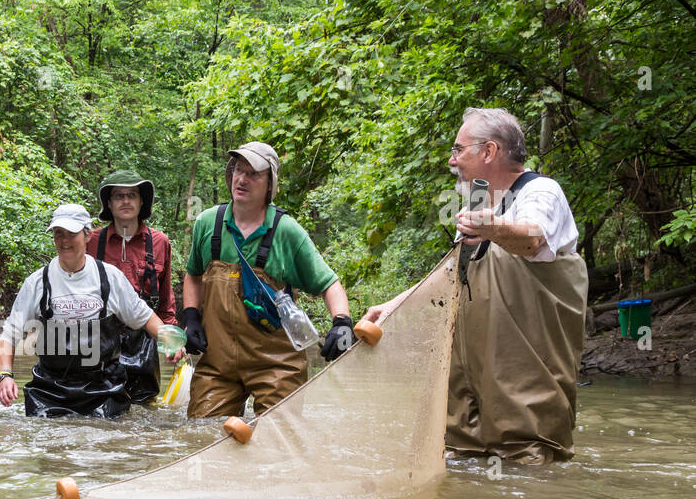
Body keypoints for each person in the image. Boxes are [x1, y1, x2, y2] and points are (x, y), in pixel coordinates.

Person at [361, 107, 589, 463]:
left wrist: (492, 228)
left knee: (528, 477)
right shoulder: (475, 205)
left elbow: (532, 239)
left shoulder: (542, 192)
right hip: (469, 403)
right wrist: (394, 306)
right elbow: (450, 278)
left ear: (489, 151)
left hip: (526, 399)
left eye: (458, 150)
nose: (452, 161)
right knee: (459, 475)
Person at [180, 142, 352, 419]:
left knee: (277, 443)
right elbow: (193, 275)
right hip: (218, 365)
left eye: (253, 174)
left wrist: (341, 323)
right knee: (203, 437)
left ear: (269, 184)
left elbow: (329, 283)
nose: (242, 179)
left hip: (277, 365)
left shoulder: (287, 231)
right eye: (238, 170)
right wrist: (190, 317)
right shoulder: (207, 223)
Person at [0, 203, 183, 418]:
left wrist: (170, 341)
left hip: (104, 388)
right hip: (49, 389)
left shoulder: (110, 277)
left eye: (71, 234)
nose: (64, 241)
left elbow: (143, 316)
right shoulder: (38, 282)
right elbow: (10, 332)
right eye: (59, 234)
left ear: (87, 235)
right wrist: (5, 375)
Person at [87, 170, 178, 403]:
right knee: (98, 410)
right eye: (119, 196)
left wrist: (172, 340)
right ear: (109, 203)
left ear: (141, 202)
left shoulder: (160, 242)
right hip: (100, 344)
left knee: (144, 410)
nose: (126, 201)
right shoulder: (90, 241)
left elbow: (165, 301)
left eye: (132, 195)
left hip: (144, 342)